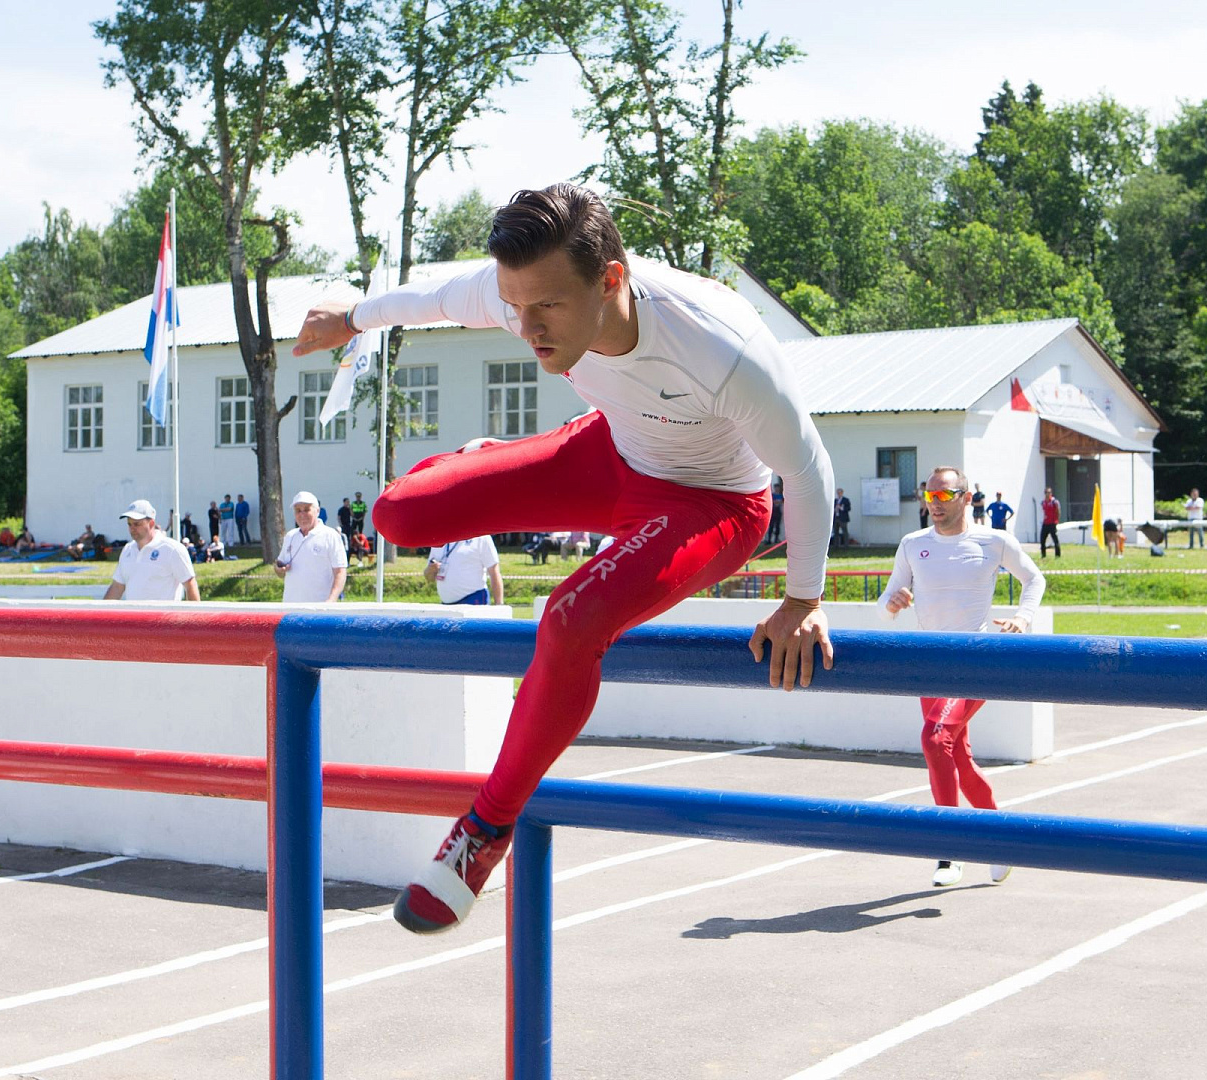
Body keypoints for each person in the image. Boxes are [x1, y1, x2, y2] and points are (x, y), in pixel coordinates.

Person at [292, 182, 834, 935]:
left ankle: (484, 832)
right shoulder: (524, 289)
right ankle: (496, 456)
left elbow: (807, 470)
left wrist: (803, 598)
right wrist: (352, 317)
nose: (527, 328)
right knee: (398, 515)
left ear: (610, 279)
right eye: (515, 306)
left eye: (546, 307)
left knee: (571, 617)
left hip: (710, 505)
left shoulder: (721, 346)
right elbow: (436, 298)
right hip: (608, 453)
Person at [879, 466, 1041, 887]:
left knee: (936, 739)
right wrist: (892, 603)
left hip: (974, 663)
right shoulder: (913, 544)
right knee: (955, 755)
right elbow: (887, 598)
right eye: (928, 496)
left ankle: (949, 849)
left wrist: (1023, 619)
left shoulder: (993, 540)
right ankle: (1000, 840)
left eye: (943, 496)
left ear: (966, 498)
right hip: (927, 667)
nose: (934, 504)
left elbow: (1034, 579)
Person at [103, 500, 199, 601]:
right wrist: (100, 611)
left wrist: (194, 612)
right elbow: (117, 587)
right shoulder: (127, 549)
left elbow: (190, 584)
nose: (132, 528)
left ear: (151, 523)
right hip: (133, 612)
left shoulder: (172, 549)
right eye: (129, 524)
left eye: (137, 524)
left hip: (164, 612)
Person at [276, 491, 347, 603]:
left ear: (317, 511)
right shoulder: (290, 536)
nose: (302, 514)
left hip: (319, 608)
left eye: (306, 510)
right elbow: (279, 567)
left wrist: (331, 601)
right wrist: (279, 569)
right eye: (298, 510)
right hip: (290, 607)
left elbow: (340, 572)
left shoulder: (331, 536)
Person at [427, 534, 505, 606]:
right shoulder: (439, 537)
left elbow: (494, 572)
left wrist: (499, 605)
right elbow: (428, 577)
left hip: (475, 599)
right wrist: (430, 570)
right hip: (446, 604)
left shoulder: (481, 537)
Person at [1038, 487, 1061, 558]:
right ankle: (1043, 555)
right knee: (1042, 539)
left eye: (1049, 493)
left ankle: (1057, 555)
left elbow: (1058, 511)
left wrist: (1056, 520)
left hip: (1052, 523)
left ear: (1051, 493)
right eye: (1046, 493)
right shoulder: (1043, 502)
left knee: (1055, 540)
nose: (1047, 494)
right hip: (1045, 523)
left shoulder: (1054, 502)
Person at [768, 477, 785, 543]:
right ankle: (769, 539)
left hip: (778, 512)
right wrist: (777, 501)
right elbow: (774, 502)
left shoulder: (781, 496)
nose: (777, 489)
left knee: (777, 526)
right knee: (771, 525)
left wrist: (777, 502)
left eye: (778, 488)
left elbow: (781, 502)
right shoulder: (772, 495)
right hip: (773, 512)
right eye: (776, 488)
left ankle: (776, 539)